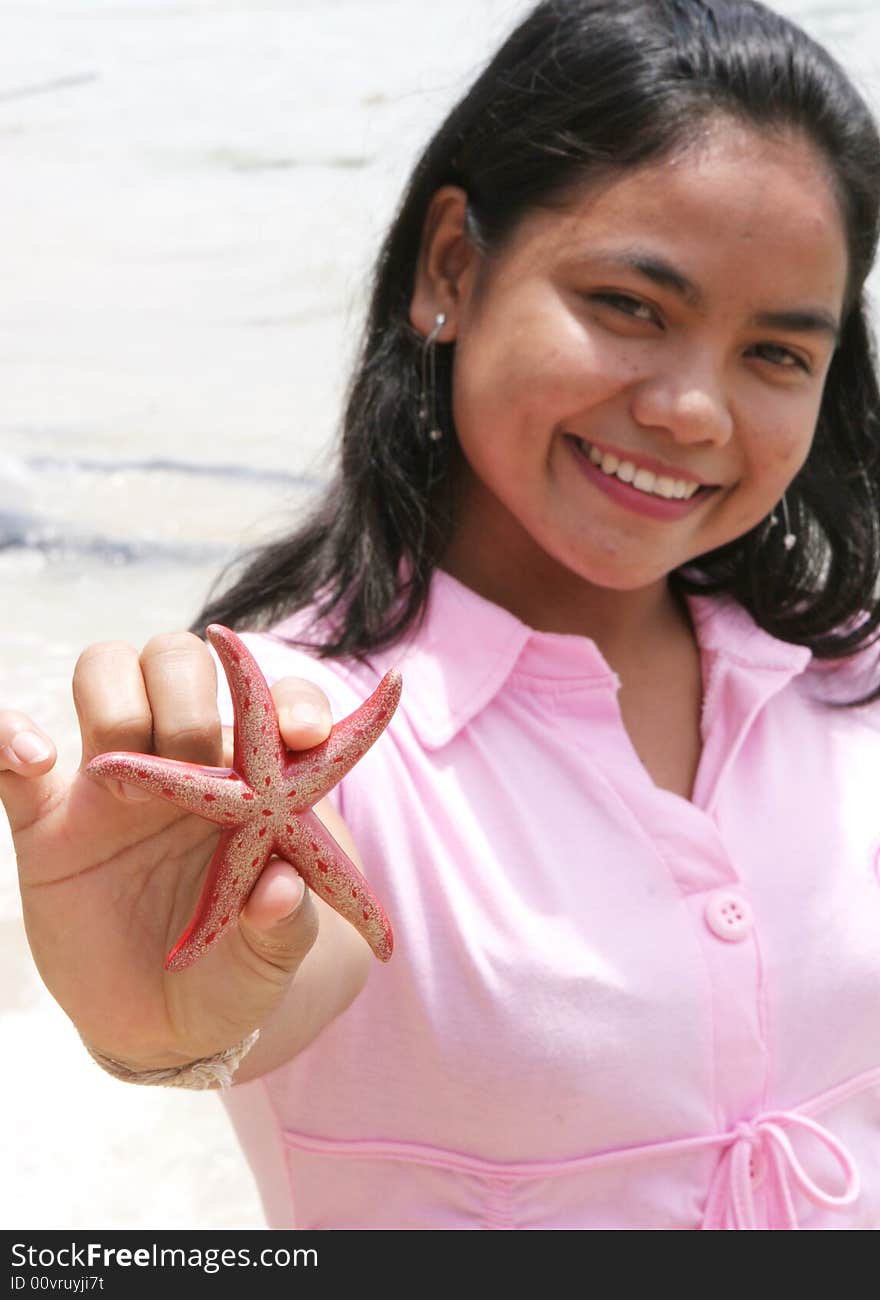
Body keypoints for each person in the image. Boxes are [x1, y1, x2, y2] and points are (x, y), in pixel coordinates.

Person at [2, 0, 880, 1230]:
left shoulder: (841, 677)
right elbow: (281, 965)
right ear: (452, 268)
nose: (692, 409)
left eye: (777, 354)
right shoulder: (299, 733)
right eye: (632, 304)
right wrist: (158, 1025)